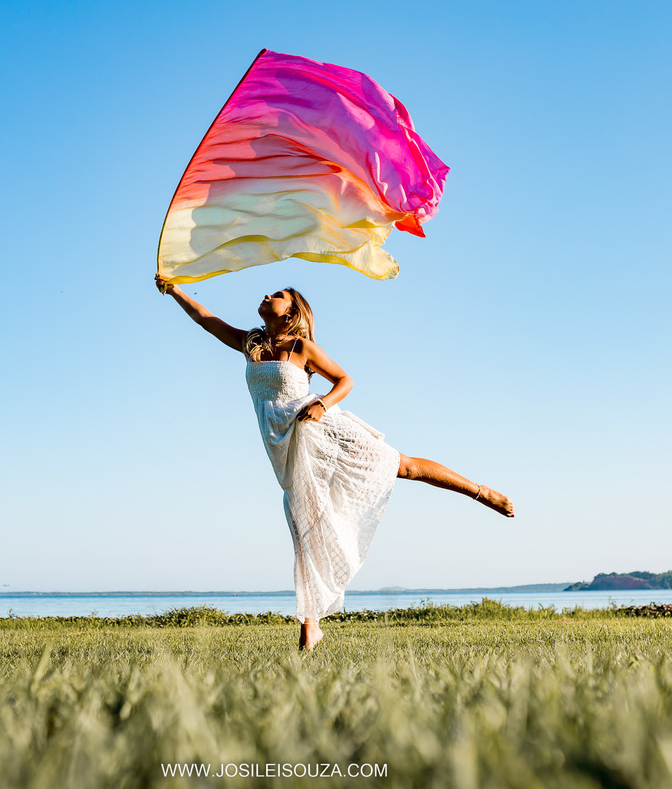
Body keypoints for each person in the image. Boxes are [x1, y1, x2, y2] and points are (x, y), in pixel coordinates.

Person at [155, 275, 514, 650]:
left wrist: (322, 403)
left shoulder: (303, 347)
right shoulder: (251, 344)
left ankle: (480, 491)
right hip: (287, 444)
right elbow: (205, 319)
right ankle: (312, 623)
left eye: (277, 294)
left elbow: (345, 380)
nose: (266, 294)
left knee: (401, 466)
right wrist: (175, 289)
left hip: (323, 430)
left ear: (292, 312)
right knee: (302, 527)